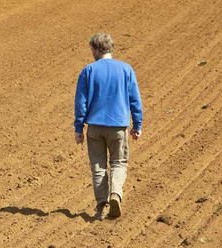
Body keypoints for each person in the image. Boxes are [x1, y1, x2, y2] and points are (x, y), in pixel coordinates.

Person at [74, 32, 143, 220]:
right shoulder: (126, 69)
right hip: (118, 126)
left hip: (95, 127)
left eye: (92, 50)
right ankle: (115, 194)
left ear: (96, 49)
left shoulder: (88, 71)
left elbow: (81, 103)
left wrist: (78, 128)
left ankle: (101, 204)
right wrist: (137, 124)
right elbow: (135, 100)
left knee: (98, 166)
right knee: (119, 162)